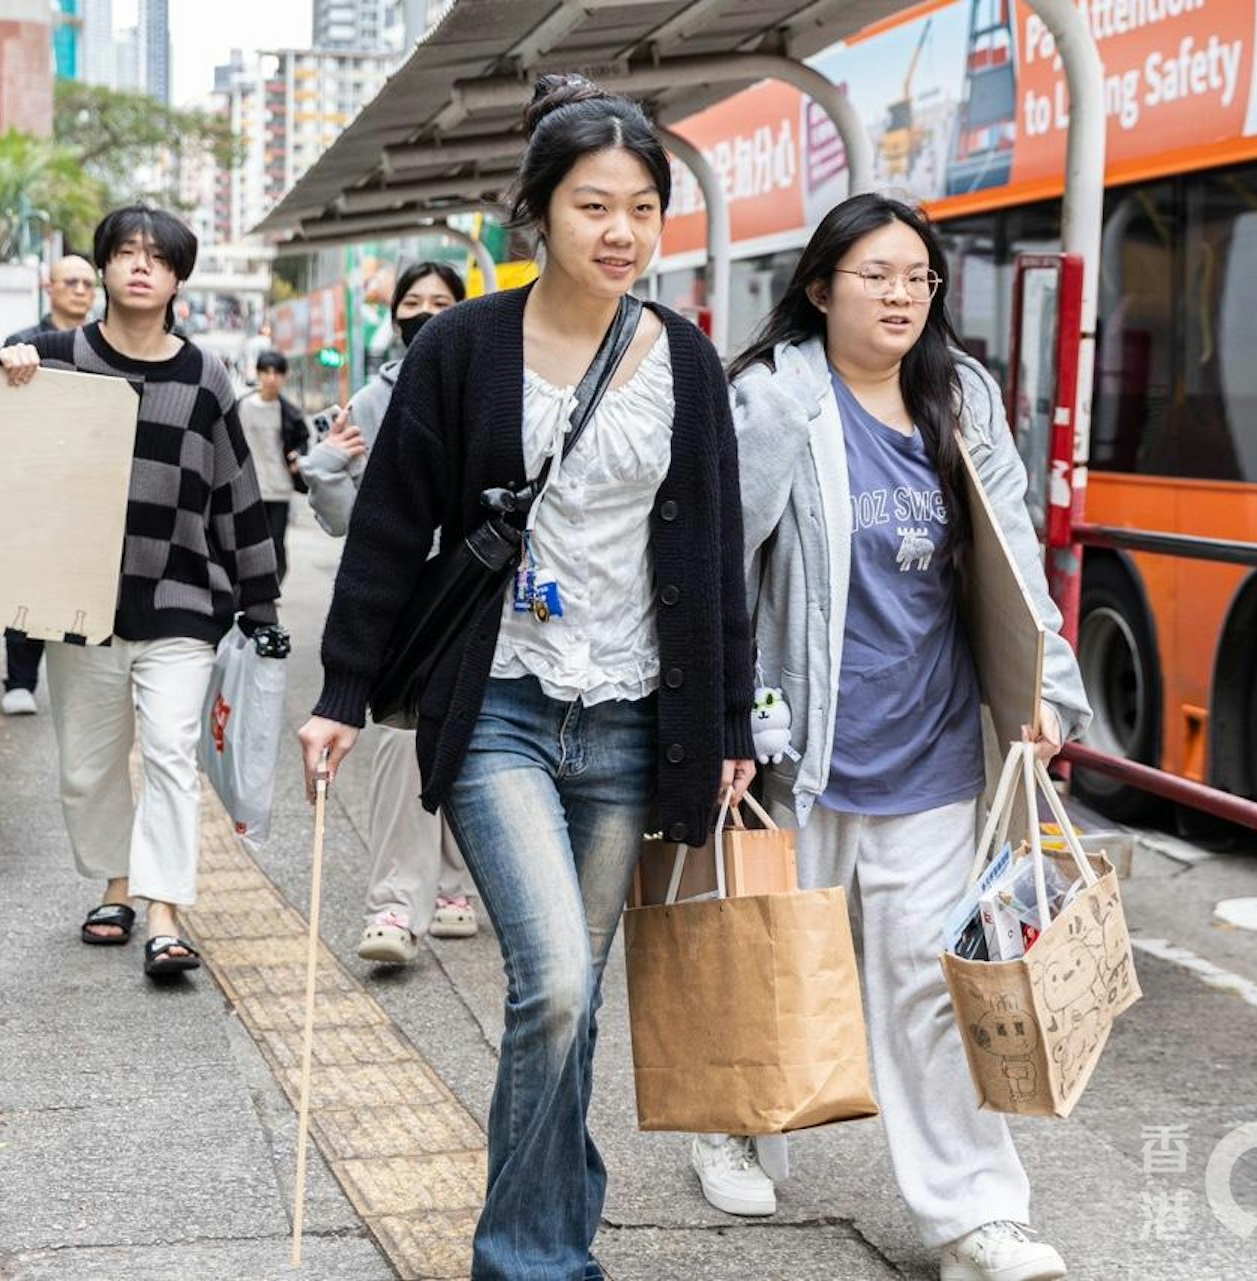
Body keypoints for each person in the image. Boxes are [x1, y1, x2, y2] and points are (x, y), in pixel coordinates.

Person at [298, 75, 756, 1279]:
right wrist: (343, 695)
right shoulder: (459, 349)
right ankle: (530, 1259)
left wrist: (728, 720)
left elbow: (714, 554)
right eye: (595, 204)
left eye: (644, 208)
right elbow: (393, 526)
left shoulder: (687, 362)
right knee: (550, 982)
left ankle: (552, 1218)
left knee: (576, 1002)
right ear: (538, 214)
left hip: (632, 718)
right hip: (501, 699)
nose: (622, 232)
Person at [712, 192, 1092, 1281]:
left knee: (935, 984)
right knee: (785, 961)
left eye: (917, 277)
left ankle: (976, 1215)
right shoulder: (777, 401)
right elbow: (723, 569)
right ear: (822, 286)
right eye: (875, 274)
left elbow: (1012, 557)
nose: (899, 295)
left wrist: (1046, 687)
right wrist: (725, 717)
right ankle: (732, 1120)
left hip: (931, 747)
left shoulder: (960, 396)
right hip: (807, 750)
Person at [0, 205, 282, 977]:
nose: (140, 267)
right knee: (87, 767)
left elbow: (237, 494)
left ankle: (165, 911)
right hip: (81, 605)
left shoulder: (204, 375)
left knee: (168, 753)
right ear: (103, 269)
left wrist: (261, 606)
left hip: (183, 599)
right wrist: (12, 362)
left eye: (157, 257)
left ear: (178, 276)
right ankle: (115, 884)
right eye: (125, 253)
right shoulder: (56, 356)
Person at [298, 261, 479, 964]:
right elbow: (352, 522)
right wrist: (325, 467)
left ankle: (454, 887)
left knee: (470, 737)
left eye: (443, 302)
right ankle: (395, 904)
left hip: (475, 592)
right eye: (414, 302)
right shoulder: (371, 402)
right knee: (403, 743)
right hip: (405, 600)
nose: (427, 314)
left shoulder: (489, 386)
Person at [0, 252, 99, 716]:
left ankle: (82, 688)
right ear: (49, 287)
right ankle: (19, 682)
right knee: (24, 583)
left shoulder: (103, 343)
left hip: (87, 483)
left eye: (87, 283)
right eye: (70, 281)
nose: (80, 289)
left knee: (81, 584)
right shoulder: (21, 343)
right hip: (31, 480)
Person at [237, 351, 309, 584]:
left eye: (277, 373)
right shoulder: (242, 407)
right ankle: (253, 586)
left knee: (276, 541)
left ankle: (273, 585)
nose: (271, 378)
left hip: (279, 488)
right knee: (249, 541)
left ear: (284, 377)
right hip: (249, 488)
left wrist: (299, 456)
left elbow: (303, 441)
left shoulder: (291, 413)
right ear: (258, 374)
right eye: (266, 372)